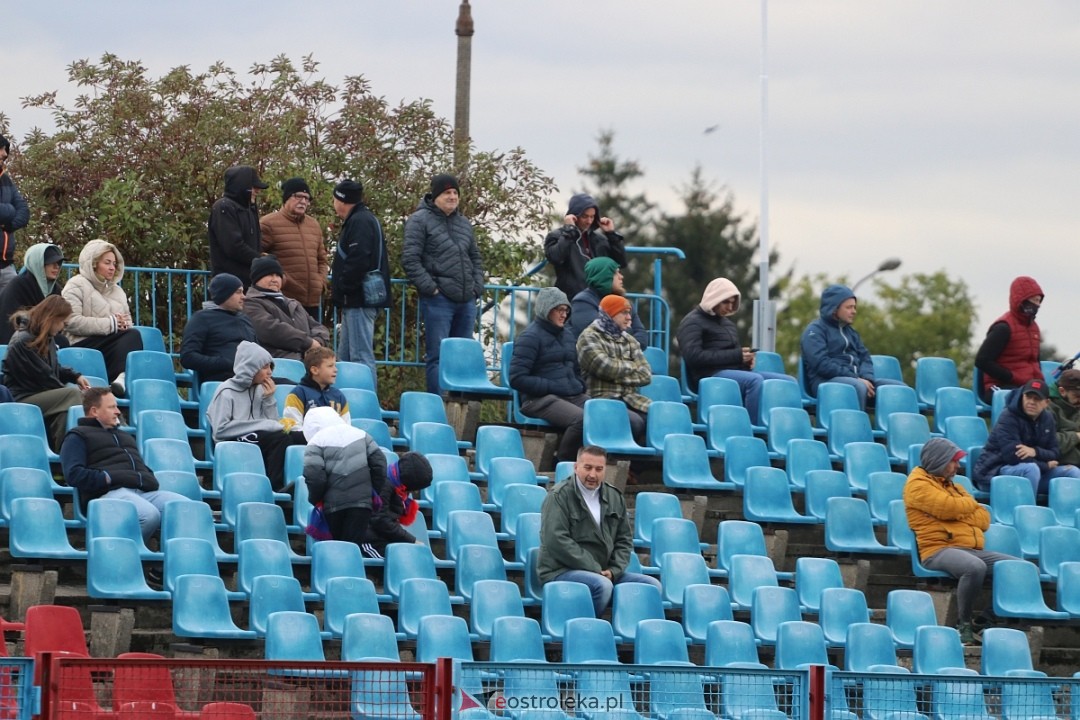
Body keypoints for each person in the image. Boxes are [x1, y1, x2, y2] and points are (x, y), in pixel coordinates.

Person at [904, 437, 1016, 644]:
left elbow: (983, 519)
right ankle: (963, 624)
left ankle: (984, 621)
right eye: (953, 461)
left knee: (1021, 569)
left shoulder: (953, 486)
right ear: (938, 460)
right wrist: (967, 506)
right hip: (937, 550)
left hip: (968, 548)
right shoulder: (917, 484)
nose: (958, 466)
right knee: (974, 567)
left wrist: (961, 508)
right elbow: (949, 508)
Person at [538, 445, 660, 617]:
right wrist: (594, 568)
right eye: (587, 467)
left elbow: (624, 540)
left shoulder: (614, 496)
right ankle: (586, 630)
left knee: (651, 586)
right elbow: (556, 540)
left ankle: (632, 635)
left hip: (604, 572)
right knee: (602, 585)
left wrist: (614, 570)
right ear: (576, 467)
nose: (592, 475)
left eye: (599, 469)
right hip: (561, 570)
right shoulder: (559, 496)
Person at [61, 387, 191, 543]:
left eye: (116, 406)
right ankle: (121, 556)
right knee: (149, 515)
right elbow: (74, 475)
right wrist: (108, 478)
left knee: (187, 509)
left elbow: (140, 467)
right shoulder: (77, 436)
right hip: (108, 494)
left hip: (142, 492)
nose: (118, 411)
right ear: (94, 411)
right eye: (111, 407)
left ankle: (167, 564)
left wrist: (147, 477)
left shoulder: (125, 436)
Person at [402, 173, 484, 395]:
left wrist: (477, 287)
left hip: (466, 300)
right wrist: (432, 288)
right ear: (435, 195)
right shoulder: (419, 220)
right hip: (439, 301)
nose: (452, 196)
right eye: (447, 192)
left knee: (462, 357)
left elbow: (475, 258)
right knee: (437, 356)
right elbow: (410, 259)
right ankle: (439, 408)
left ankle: (460, 408)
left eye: (455, 192)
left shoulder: (464, 224)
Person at [678, 277, 796, 424]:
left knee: (788, 381)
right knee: (755, 381)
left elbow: (732, 358)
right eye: (726, 302)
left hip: (729, 373)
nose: (729, 307)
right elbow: (693, 357)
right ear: (714, 298)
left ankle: (785, 426)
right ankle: (752, 428)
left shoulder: (727, 324)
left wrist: (746, 362)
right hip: (708, 376)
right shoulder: (692, 322)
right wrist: (737, 356)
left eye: (733, 303)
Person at [206, 340, 305, 490]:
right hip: (231, 440)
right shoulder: (226, 391)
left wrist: (269, 399)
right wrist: (263, 425)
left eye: (270, 367)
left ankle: (300, 484)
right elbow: (220, 430)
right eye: (265, 367)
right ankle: (274, 487)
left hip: (259, 436)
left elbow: (272, 424)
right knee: (280, 439)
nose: (270, 372)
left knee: (301, 437)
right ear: (250, 369)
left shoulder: (260, 390)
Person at [509, 286, 589, 462]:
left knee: (604, 413)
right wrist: (553, 386)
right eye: (559, 309)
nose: (564, 314)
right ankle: (563, 465)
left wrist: (580, 385)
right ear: (546, 309)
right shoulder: (529, 337)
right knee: (581, 420)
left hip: (571, 396)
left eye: (566, 310)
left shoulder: (567, 335)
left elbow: (575, 369)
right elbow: (516, 378)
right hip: (537, 399)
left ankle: (594, 463)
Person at [1, 296, 90, 450]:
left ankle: (62, 459)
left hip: (39, 394)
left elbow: (52, 368)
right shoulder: (23, 341)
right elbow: (45, 377)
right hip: (22, 398)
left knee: (64, 413)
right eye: (62, 322)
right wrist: (80, 395)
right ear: (52, 318)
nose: (62, 327)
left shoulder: (44, 336)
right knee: (72, 395)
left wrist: (75, 376)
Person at [800, 283, 906, 410]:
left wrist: (867, 379)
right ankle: (855, 428)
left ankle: (895, 428)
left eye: (854, 307)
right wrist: (856, 378)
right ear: (834, 308)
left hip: (857, 381)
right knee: (857, 387)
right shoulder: (815, 331)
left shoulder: (851, 332)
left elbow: (865, 357)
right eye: (849, 307)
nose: (854, 311)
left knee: (899, 389)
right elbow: (822, 364)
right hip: (826, 383)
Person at [972, 378, 1080, 496]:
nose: (1031, 402)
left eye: (1037, 399)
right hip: (994, 474)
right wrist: (1044, 465)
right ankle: (1029, 513)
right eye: (1028, 397)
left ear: (1046, 403)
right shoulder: (1008, 416)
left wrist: (1035, 451)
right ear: (1022, 396)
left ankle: (1065, 513)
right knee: (1031, 469)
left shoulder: (1048, 418)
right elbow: (1012, 456)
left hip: (1032, 474)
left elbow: (1054, 452)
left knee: (1072, 472)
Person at [61, 239, 144, 392]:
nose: (112, 268)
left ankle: (121, 379)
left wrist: (123, 325)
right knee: (132, 336)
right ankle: (118, 379)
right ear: (94, 263)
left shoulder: (118, 291)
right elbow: (71, 322)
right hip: (81, 343)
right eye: (107, 263)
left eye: (114, 264)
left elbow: (128, 322)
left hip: (108, 345)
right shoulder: (75, 284)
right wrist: (111, 324)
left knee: (133, 334)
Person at [330, 180, 389, 391]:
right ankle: (343, 401)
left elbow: (359, 259)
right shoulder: (365, 218)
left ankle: (367, 404)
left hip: (358, 300)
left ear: (341, 200)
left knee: (360, 357)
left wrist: (344, 286)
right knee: (344, 358)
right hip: (355, 301)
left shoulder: (359, 222)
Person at [301, 406, 386, 548]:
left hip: (333, 505)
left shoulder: (315, 442)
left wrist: (315, 499)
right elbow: (380, 465)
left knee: (335, 550)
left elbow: (315, 477)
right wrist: (370, 492)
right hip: (362, 505)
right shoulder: (362, 435)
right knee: (353, 549)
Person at [576, 294, 652, 445]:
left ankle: (636, 468)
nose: (629, 318)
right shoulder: (589, 337)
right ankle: (620, 462)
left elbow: (646, 374)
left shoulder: (629, 340)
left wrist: (615, 372)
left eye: (629, 313)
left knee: (659, 420)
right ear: (610, 314)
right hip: (602, 398)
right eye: (624, 313)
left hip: (630, 398)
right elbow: (604, 366)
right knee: (635, 423)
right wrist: (631, 366)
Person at [260, 177, 328, 318]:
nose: (303, 201)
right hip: (284, 299)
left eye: (307, 198)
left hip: (312, 302)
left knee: (312, 339)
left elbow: (322, 259)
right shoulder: (268, 223)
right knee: (289, 339)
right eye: (298, 196)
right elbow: (258, 256)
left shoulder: (314, 225)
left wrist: (320, 282)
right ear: (286, 198)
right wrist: (281, 280)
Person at [243, 255, 330, 360]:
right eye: (269, 275)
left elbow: (317, 326)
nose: (275, 279)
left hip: (308, 357)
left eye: (278, 275)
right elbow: (271, 330)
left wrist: (318, 342)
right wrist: (308, 343)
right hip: (276, 360)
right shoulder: (250, 303)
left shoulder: (293, 303)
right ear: (257, 278)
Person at [974, 276, 1044, 403]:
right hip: (1000, 387)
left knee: (1055, 404)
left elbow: (1035, 361)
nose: (1038, 305)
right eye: (1035, 300)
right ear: (1022, 300)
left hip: (1027, 387)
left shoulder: (1034, 328)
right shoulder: (1003, 327)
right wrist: (1010, 376)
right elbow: (982, 361)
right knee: (1025, 404)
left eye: (1039, 301)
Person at [543, 193, 627, 298]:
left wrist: (611, 235)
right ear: (574, 216)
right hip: (570, 299)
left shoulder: (599, 239)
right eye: (585, 216)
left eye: (592, 217)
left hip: (599, 299)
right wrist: (570, 231)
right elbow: (555, 257)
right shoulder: (557, 236)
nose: (589, 221)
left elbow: (621, 263)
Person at [180, 273, 257, 383]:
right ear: (225, 294)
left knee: (289, 385)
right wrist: (225, 363)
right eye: (238, 292)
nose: (244, 297)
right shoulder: (202, 318)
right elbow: (188, 357)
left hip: (253, 377)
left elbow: (258, 351)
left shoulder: (245, 319)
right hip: (223, 380)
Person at [362, 451, 434, 560]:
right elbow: (380, 520)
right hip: (368, 540)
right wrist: (412, 540)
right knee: (395, 561)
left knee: (411, 557)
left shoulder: (396, 487)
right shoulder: (383, 484)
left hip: (382, 537)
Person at [208, 165, 268, 288]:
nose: (257, 191)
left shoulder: (250, 209)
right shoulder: (224, 207)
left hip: (249, 281)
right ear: (242, 187)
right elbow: (233, 246)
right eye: (254, 187)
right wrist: (260, 260)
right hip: (230, 284)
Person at [567, 256, 648, 347]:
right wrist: (628, 329)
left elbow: (643, 339)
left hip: (623, 359)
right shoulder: (583, 302)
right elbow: (598, 337)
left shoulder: (625, 303)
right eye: (616, 273)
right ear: (604, 276)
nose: (621, 277)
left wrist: (617, 330)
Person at [0, 242, 66, 344]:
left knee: (62, 341)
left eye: (59, 262)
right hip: (16, 341)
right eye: (51, 262)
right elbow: (10, 324)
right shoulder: (18, 286)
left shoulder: (55, 290)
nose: (56, 266)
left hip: (43, 337)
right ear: (37, 263)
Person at [283, 345, 351, 431]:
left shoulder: (339, 396)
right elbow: (294, 429)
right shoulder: (298, 394)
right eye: (330, 366)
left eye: (335, 365)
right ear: (315, 370)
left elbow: (347, 428)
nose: (336, 370)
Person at [0, 134, 30, 296]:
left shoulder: (6, 180)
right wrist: (10, 210)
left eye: (5, 149)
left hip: (6, 266)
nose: (4, 154)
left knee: (12, 315)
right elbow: (12, 210)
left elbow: (24, 211)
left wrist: (8, 225)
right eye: (1, 148)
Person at [1050, 369, 1080, 467]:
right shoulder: (1045, 406)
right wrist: (1076, 436)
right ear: (1062, 391)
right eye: (1077, 395)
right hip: (1057, 463)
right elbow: (1048, 441)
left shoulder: (1076, 406)